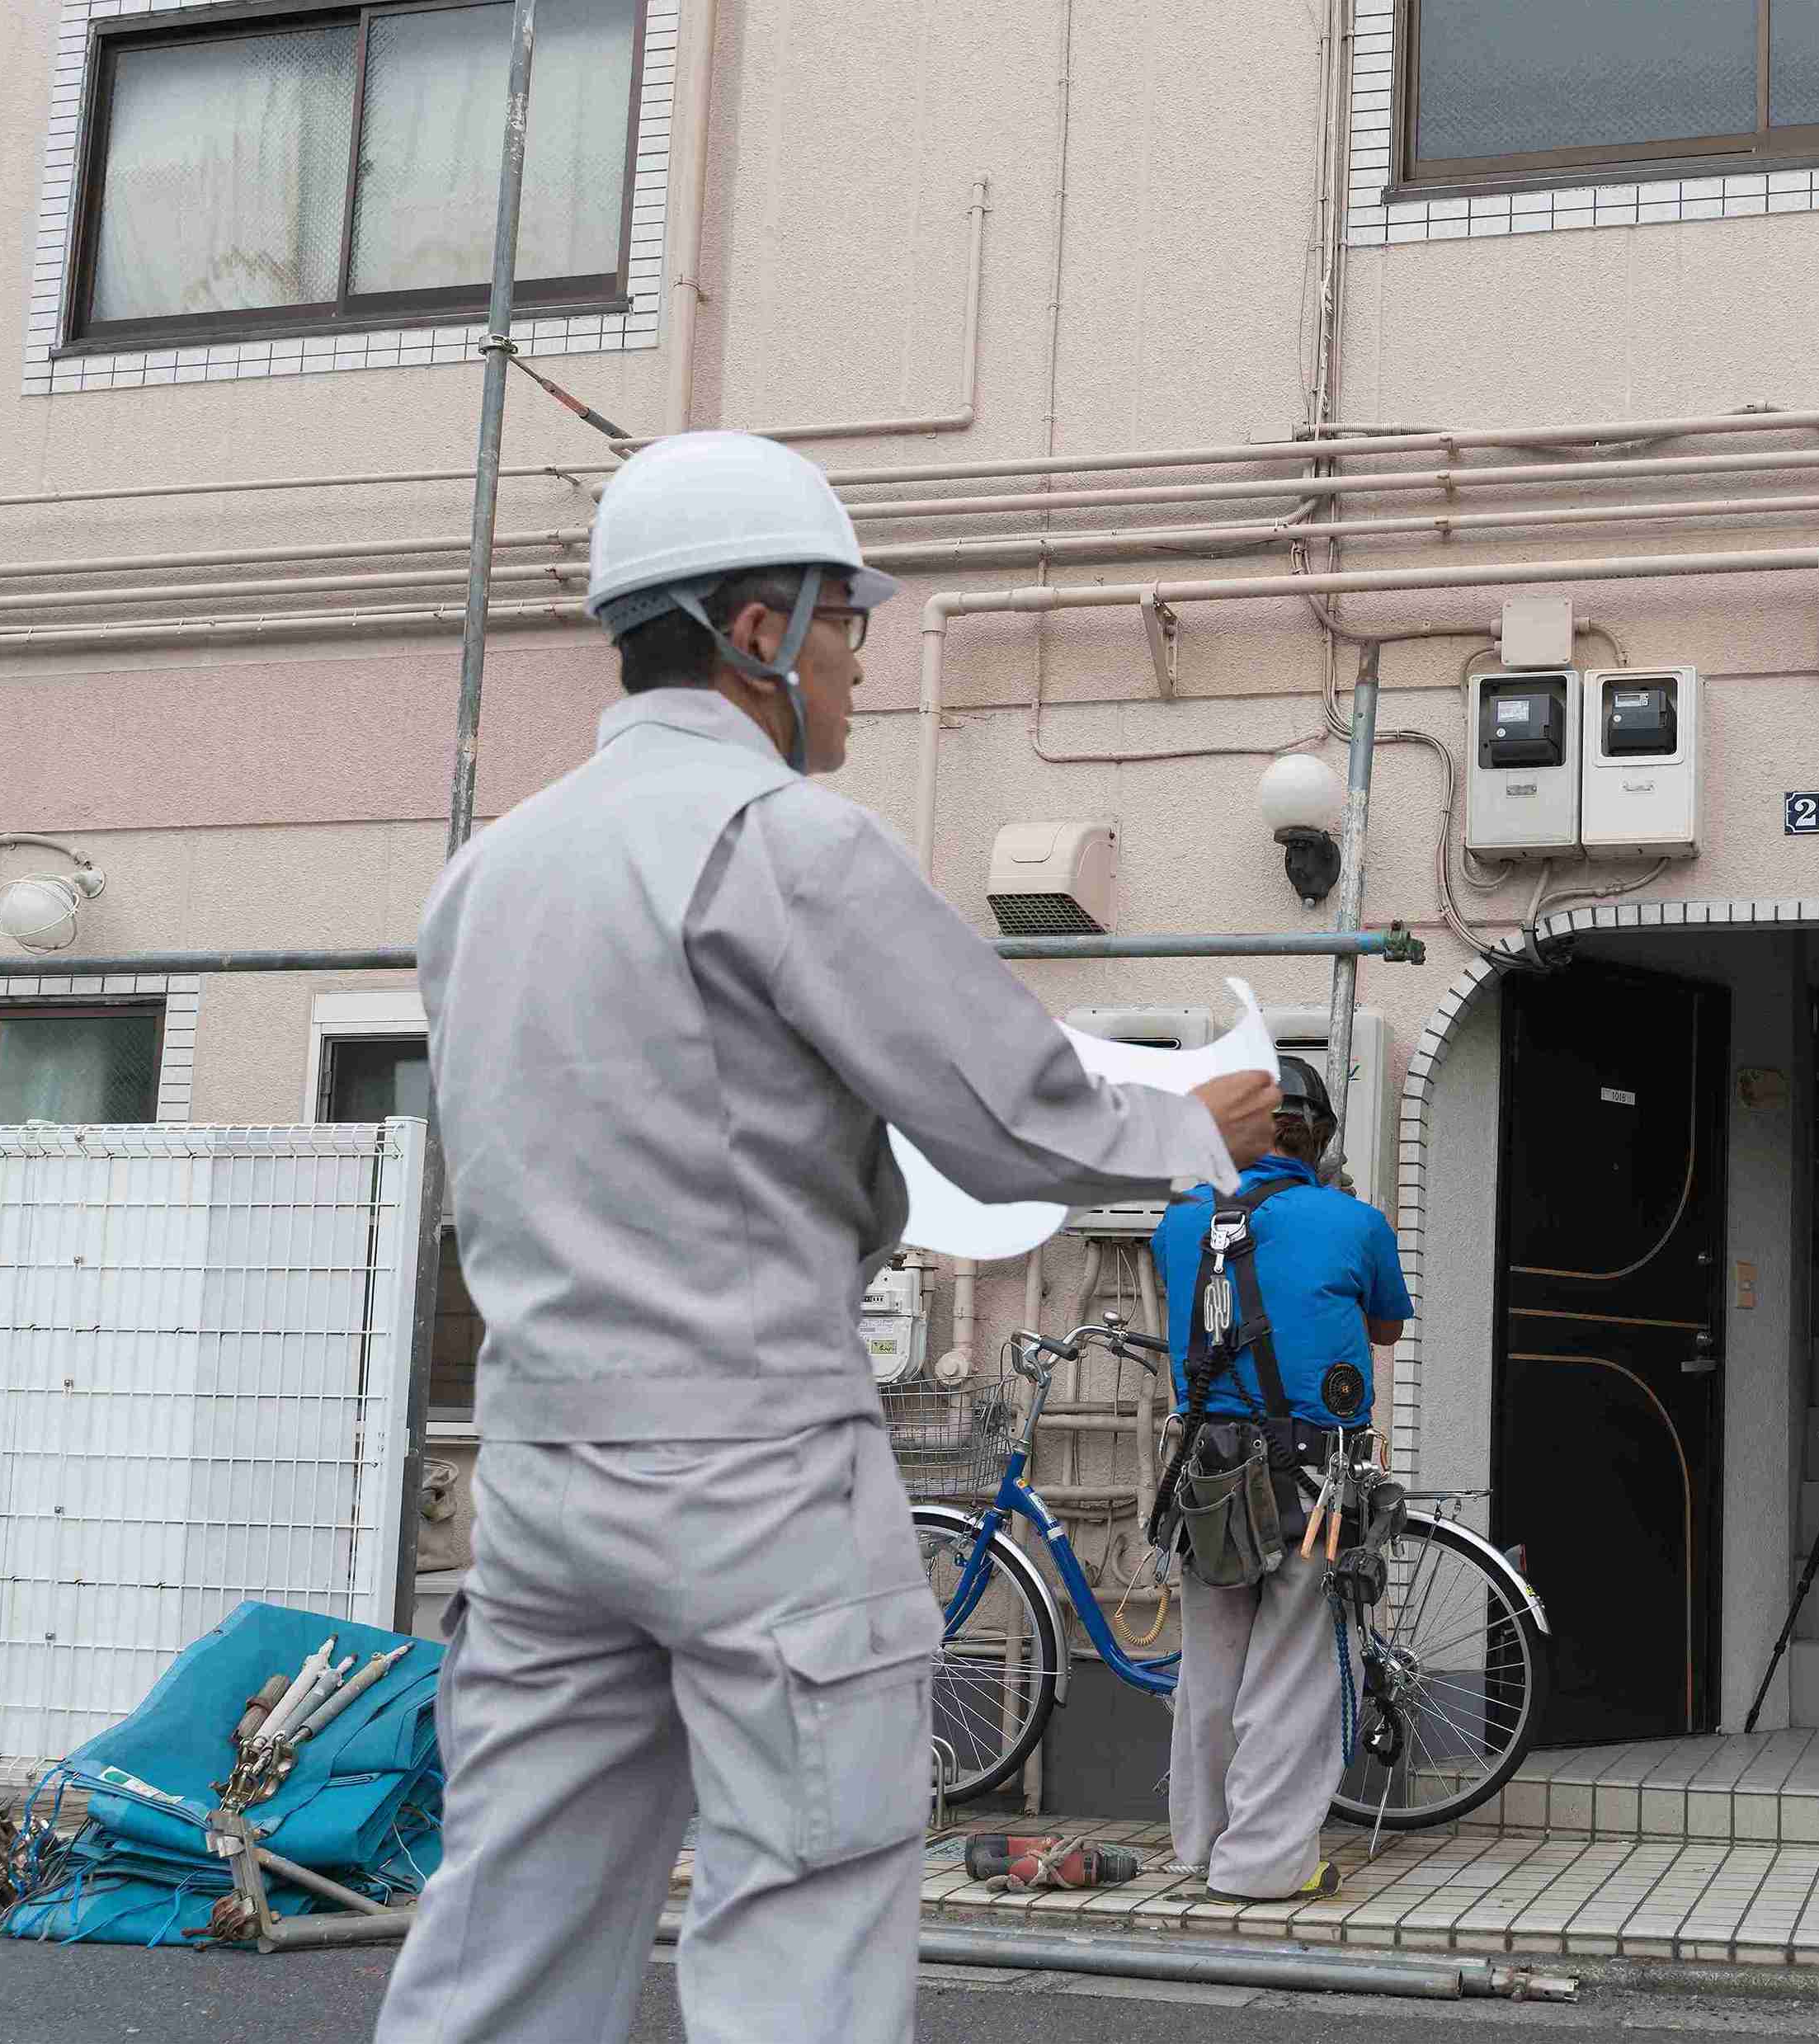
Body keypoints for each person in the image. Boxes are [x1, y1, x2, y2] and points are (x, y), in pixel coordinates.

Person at [377, 430, 1278, 2044]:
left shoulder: (484, 876)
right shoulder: (789, 846)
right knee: (803, 1924)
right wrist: (1187, 1128)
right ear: (755, 630)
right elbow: (998, 1111)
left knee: (507, 1920)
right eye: (845, 618)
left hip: (543, 1471)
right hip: (752, 1471)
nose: (863, 658)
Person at [1148, 1054, 1411, 1902]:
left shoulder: (1176, 1221)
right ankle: (1264, 1865)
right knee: (1297, 1666)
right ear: (1322, 1139)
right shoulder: (1354, 1221)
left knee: (1212, 1666)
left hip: (1207, 1477)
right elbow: (1384, 1329)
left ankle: (1200, 1848)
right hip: (1311, 1481)